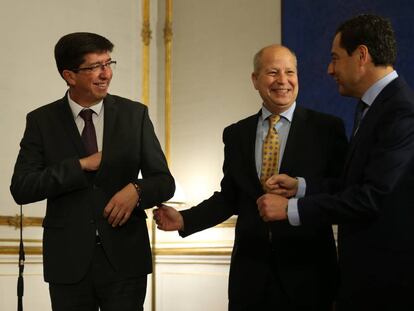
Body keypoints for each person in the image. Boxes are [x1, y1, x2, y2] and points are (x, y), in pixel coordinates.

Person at [154, 44, 348, 310]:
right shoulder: (236, 134)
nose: (283, 80)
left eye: (290, 72)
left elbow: (342, 191)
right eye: (272, 72)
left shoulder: (327, 129)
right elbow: (230, 197)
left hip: (309, 275)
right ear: (255, 79)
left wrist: (300, 191)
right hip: (251, 277)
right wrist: (185, 219)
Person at [259, 14, 414, 311]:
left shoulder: (401, 111)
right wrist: (301, 187)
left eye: (335, 58)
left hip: (390, 283)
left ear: (362, 56)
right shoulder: (372, 107)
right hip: (364, 280)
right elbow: (353, 183)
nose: (330, 70)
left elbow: (371, 197)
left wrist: (291, 209)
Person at [10, 32, 175, 311]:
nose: (106, 74)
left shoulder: (135, 115)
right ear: (69, 75)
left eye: (108, 63)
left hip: (125, 259)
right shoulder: (41, 121)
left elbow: (164, 182)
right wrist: (79, 165)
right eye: (94, 67)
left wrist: (136, 190)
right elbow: (22, 187)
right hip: (68, 262)